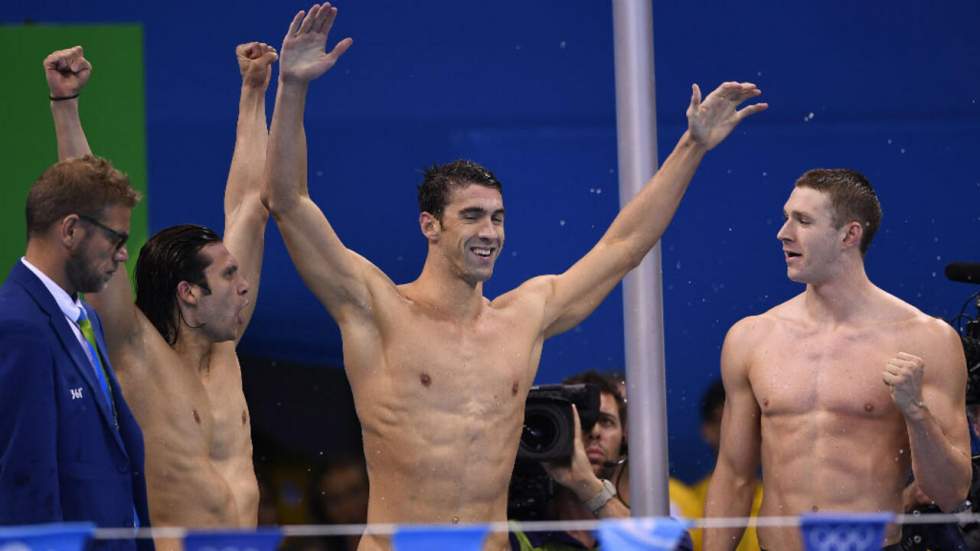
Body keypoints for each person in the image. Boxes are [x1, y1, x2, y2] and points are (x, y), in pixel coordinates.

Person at [263, 4, 766, 550]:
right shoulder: (375, 308)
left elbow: (623, 246)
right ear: (429, 225)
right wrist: (292, 89)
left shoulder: (525, 315)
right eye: (473, 217)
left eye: (498, 218)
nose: (490, 232)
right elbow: (288, 202)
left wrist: (691, 146)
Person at [46, 42, 276, 537]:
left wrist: (254, 92)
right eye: (229, 277)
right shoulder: (138, 355)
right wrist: (65, 107)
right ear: (188, 293)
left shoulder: (227, 348)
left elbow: (250, 208)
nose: (245, 287)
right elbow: (90, 223)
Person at [704, 169, 971, 550]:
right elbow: (734, 477)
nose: (783, 233)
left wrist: (916, 413)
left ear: (849, 235)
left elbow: (951, 492)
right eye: (786, 217)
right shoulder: (752, 338)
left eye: (803, 221)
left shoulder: (927, 340)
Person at [0, 51, 149, 546]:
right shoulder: (18, 326)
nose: (123, 256)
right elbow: (27, 479)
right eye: (116, 240)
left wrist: (67, 103)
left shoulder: (81, 317)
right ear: (70, 230)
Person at [511, 370, 693, 551]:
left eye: (606, 421)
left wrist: (588, 487)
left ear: (624, 440)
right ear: (554, 429)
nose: (595, 432)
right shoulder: (519, 533)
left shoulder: (658, 531)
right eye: (582, 421)